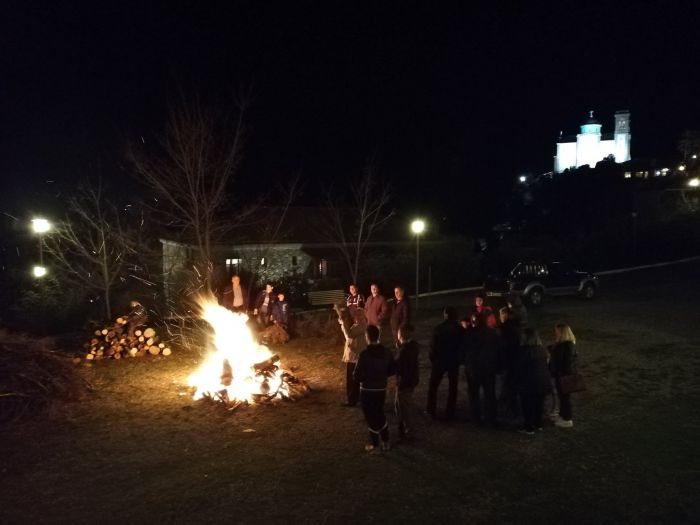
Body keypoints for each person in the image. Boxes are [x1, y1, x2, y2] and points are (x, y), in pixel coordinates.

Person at [354, 325, 395, 454]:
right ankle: (386, 441)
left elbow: (357, 375)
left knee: (370, 417)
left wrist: (363, 377)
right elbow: (392, 369)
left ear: (367, 337)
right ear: (378, 336)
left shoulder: (365, 354)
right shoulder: (387, 352)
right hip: (381, 389)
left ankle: (375, 445)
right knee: (380, 413)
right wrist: (382, 376)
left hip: (367, 390)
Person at [463, 312, 502, 427]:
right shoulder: (492, 333)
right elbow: (498, 351)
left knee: (474, 395)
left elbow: (463, 350)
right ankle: (490, 419)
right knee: (489, 394)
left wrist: (465, 362)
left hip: (473, 369)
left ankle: (476, 419)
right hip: (488, 369)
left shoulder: (468, 334)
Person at [426, 306, 464, 420]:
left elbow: (432, 346)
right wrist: (459, 360)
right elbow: (462, 346)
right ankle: (450, 411)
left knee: (433, 386)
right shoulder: (459, 329)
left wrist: (434, 359)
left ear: (446, 315)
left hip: (439, 361)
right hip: (453, 361)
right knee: (453, 387)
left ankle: (431, 410)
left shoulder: (439, 329)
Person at [515, 328, 553, 435]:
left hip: (529, 382)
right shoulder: (542, 350)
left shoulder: (523, 351)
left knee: (527, 405)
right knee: (539, 404)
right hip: (543, 381)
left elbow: (519, 367)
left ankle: (528, 428)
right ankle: (538, 424)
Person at [339, 307, 368, 407]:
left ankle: (352, 400)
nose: (357, 317)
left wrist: (343, 323)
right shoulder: (356, 325)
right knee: (354, 379)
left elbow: (350, 335)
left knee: (352, 379)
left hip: (356, 357)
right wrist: (343, 325)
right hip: (353, 355)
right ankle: (356, 398)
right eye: (356, 315)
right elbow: (348, 336)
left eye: (360, 315)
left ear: (364, 316)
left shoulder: (363, 326)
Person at [549, 324, 577, 428]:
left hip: (564, 376)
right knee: (563, 397)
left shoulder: (566, 346)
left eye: (557, 331)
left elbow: (564, 362)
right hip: (563, 375)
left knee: (565, 398)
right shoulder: (567, 344)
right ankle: (562, 415)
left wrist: (557, 371)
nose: (555, 333)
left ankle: (567, 419)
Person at [394, 324, 419, 439]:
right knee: (401, 406)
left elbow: (401, 368)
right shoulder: (412, 347)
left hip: (404, 383)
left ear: (401, 334)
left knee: (404, 408)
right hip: (411, 381)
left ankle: (409, 432)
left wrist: (401, 385)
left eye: (398, 332)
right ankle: (403, 429)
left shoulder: (404, 352)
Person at [498, 307, 522, 419]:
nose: (500, 317)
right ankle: (510, 407)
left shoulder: (505, 329)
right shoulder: (516, 327)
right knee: (511, 385)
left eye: (501, 315)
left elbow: (503, 346)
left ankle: (512, 410)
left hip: (507, 361)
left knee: (508, 386)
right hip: (515, 361)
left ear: (506, 315)